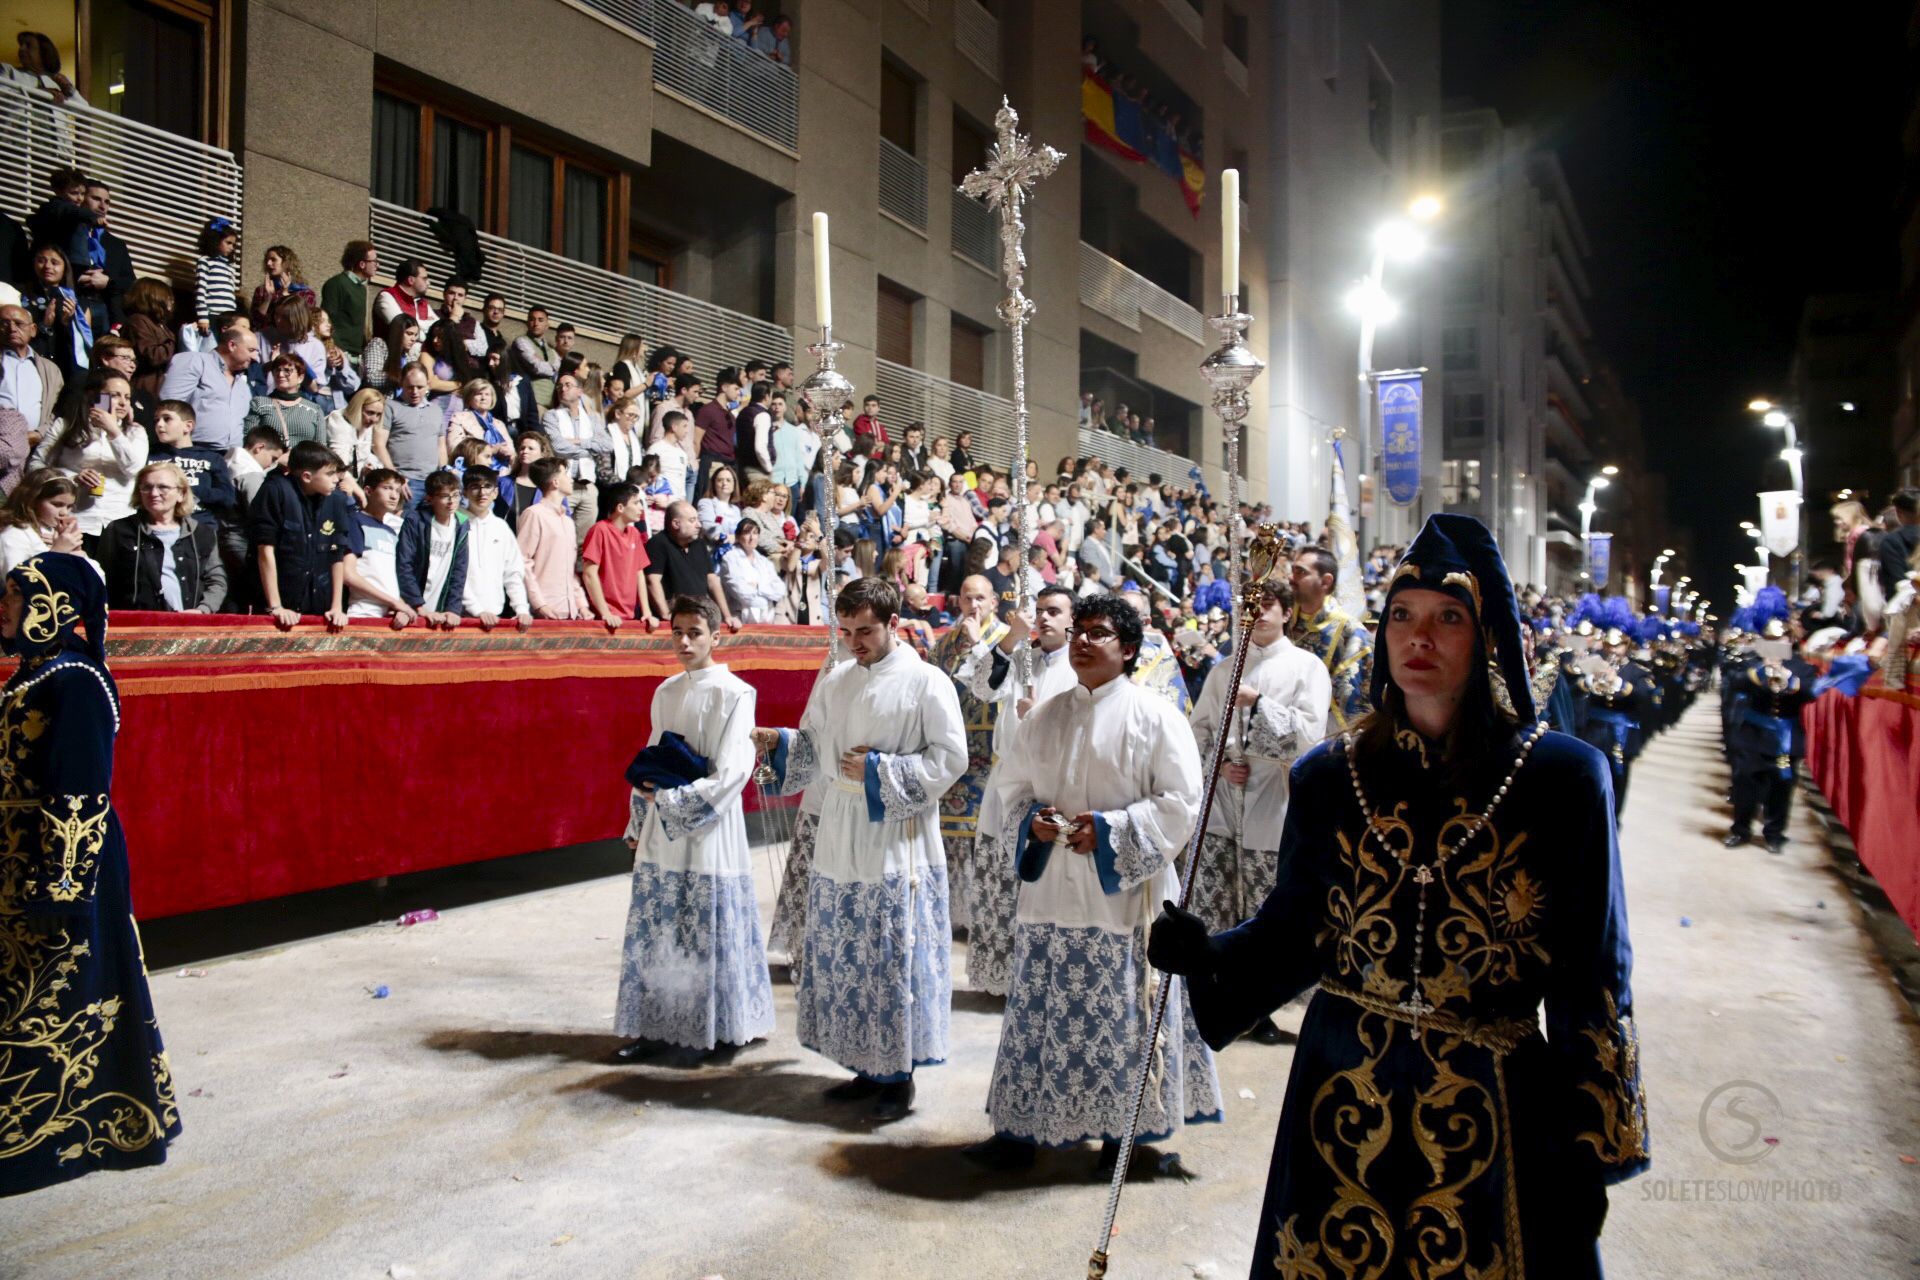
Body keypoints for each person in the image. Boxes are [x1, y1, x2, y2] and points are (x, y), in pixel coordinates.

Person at [1148, 514, 1650, 1278]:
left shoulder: (1562, 779)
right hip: (1343, 1094)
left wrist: (1591, 1144)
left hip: (1495, 1100)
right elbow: (1296, 934)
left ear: (1487, 637)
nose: (1421, 638)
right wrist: (1208, 952)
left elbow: (1593, 974)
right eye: (1404, 617)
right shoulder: (1328, 776)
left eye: (1449, 618)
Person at [963, 591, 1219, 1173]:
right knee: (1040, 1010)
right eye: (1078, 629)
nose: (1080, 640)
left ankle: (1124, 1140)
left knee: (1123, 1017)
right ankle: (1021, 1130)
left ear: (1128, 649)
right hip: (1051, 888)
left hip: (1125, 895)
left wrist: (1108, 832)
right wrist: (1036, 821)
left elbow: (1180, 803)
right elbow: (1011, 792)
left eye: (1097, 632)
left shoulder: (1156, 716)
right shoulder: (1046, 715)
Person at [0, 551, 182, 1195]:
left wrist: (64, 884)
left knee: (67, 993)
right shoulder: (34, 672)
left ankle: (66, 1132)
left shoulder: (74, 679)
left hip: (66, 869)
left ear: (56, 607)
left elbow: (79, 788)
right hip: (21, 864)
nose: (7, 609)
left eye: (18, 598)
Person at [752, 577, 965, 1120]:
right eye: (845, 631)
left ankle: (898, 1078)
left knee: (890, 953)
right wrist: (781, 743)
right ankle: (862, 1066)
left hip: (896, 836)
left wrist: (881, 769)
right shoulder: (837, 677)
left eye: (865, 630)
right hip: (840, 828)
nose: (854, 642)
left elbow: (950, 759)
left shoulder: (926, 681)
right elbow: (815, 742)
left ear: (893, 624)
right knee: (849, 950)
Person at [611, 593, 776, 1061]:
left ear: (715, 636)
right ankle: (656, 1025)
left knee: (707, 925)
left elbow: (734, 772)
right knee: (663, 927)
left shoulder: (736, 693)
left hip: (708, 827)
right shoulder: (665, 691)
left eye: (695, 633)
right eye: (677, 632)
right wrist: (640, 814)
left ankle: (718, 1027)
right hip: (664, 823)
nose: (684, 641)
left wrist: (672, 801)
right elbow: (652, 755)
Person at [1185, 578, 1328, 1043]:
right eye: (1249, 605)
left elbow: (1310, 737)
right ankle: (1225, 998)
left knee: (1266, 902)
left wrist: (1258, 705)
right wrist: (1222, 764)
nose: (1258, 613)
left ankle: (1264, 1006)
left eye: (1268, 604)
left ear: (1287, 612)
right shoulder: (1223, 669)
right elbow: (1200, 733)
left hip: (1277, 795)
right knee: (1222, 896)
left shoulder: (1307, 667)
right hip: (1227, 798)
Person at [957, 583, 1079, 997]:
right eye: (1040, 610)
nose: (1044, 618)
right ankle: (1005, 976)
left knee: (1044, 881)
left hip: (1052, 786)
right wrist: (1009, 640)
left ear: (1072, 620)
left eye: (1055, 611)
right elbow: (982, 688)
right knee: (1000, 879)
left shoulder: (1080, 666)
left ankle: (1043, 976)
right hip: (1007, 782)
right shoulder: (1021, 656)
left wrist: (1038, 715)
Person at [926, 575, 1012, 941]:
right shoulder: (944, 643)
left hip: (991, 748)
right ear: (957, 601)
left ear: (993, 601)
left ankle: (982, 912)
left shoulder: (1008, 639)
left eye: (980, 598)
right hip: (952, 749)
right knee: (947, 835)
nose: (973, 606)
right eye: (966, 598)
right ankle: (950, 910)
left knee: (981, 833)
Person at [34, 370, 148, 553]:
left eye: (127, 397)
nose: (122, 402)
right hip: (77, 519)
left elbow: (134, 468)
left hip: (119, 518)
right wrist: (71, 480)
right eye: (114, 395)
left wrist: (113, 431)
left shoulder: (135, 432)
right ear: (93, 396)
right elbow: (36, 466)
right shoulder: (66, 425)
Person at [249, 440, 353, 629]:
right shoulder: (275, 490)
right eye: (329, 474)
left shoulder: (337, 500)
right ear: (306, 476)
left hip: (319, 605)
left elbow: (336, 554)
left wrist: (337, 606)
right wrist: (276, 606)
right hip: (280, 603)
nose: (336, 479)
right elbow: (265, 550)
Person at [100, 461, 226, 613]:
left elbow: (216, 580)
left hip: (188, 626)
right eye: (147, 487)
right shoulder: (118, 531)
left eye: (163, 487)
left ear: (181, 493)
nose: (153, 493)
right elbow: (101, 580)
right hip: (134, 627)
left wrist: (203, 610)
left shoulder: (202, 533)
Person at [160, 321, 257, 453]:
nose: (255, 357)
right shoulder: (195, 361)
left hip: (232, 457)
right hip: (193, 452)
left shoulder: (242, 384)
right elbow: (169, 405)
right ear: (232, 345)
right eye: (251, 350)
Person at [647, 501, 740, 631]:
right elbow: (652, 581)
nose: (699, 525)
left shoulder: (699, 544)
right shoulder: (657, 543)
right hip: (675, 619)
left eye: (698, 520)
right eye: (692, 520)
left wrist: (727, 616)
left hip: (700, 615)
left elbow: (712, 581)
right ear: (676, 524)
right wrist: (665, 614)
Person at [343, 468, 417, 627]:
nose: (394, 495)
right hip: (363, 612)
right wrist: (394, 602)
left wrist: (400, 606)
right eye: (387, 488)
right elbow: (348, 574)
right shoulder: (355, 521)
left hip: (390, 615)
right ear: (368, 491)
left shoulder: (391, 531)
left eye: (397, 490)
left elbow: (389, 579)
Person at [516, 458, 588, 620]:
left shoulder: (568, 522)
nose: (570, 479)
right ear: (555, 482)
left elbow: (570, 569)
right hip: (545, 610)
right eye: (566, 474)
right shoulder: (534, 514)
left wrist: (581, 604)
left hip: (572, 611)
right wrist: (539, 604)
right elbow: (522, 561)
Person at [395, 470, 468, 628]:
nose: (451, 501)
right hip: (412, 606)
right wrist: (416, 605)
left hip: (440, 607)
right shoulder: (415, 521)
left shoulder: (462, 524)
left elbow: (459, 570)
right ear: (430, 498)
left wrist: (453, 608)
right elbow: (404, 565)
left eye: (455, 495)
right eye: (444, 496)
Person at [542, 371, 607, 545]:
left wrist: (578, 441)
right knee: (557, 535)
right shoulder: (552, 416)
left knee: (583, 542)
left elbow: (607, 445)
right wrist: (590, 448)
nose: (562, 389)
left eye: (568, 385)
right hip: (563, 483)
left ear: (580, 391)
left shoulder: (592, 417)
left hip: (587, 486)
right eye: (559, 386)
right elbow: (559, 447)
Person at [580, 480, 654, 632]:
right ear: (620, 507)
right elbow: (589, 574)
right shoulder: (599, 530)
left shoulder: (634, 533)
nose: (641, 508)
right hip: (603, 618)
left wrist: (647, 612)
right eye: (636, 503)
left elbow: (639, 573)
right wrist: (605, 613)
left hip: (630, 615)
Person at [375, 363, 448, 505]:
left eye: (420, 387)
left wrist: (443, 476)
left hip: (433, 483)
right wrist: (395, 478)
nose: (415, 392)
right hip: (405, 481)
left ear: (427, 385)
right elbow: (378, 444)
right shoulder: (390, 406)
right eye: (410, 387)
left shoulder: (436, 410)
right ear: (402, 383)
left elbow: (441, 445)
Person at [1, 303, 64, 465]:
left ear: (33, 329)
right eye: (4, 323)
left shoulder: (50, 369)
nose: (12, 329)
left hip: (37, 448)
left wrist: (40, 433)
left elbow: (58, 409)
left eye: (19, 323)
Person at [0, 472, 96, 577]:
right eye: (57, 504)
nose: (64, 512)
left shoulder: (53, 532)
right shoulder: (15, 535)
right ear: (33, 500)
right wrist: (57, 551)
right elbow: (14, 582)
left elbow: (96, 577)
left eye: (69, 507)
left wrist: (76, 551)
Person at [719, 516, 786, 623]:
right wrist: (767, 596)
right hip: (739, 619)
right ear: (738, 536)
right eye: (747, 533)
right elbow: (742, 593)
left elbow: (780, 590)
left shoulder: (764, 561)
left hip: (767, 619)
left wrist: (758, 587)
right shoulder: (729, 558)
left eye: (755, 533)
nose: (752, 537)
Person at [320, 240, 379, 360]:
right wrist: (338, 350)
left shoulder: (362, 289)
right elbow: (327, 320)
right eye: (374, 261)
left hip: (357, 357)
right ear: (362, 264)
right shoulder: (337, 284)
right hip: (340, 355)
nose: (377, 265)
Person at [191, 217, 241, 342]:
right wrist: (203, 317)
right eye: (228, 243)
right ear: (216, 240)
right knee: (212, 345)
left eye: (234, 245)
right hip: (213, 314)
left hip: (229, 315)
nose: (231, 247)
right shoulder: (205, 261)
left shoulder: (229, 266)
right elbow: (200, 291)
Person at [376, 258, 435, 332]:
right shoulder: (386, 296)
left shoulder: (423, 302)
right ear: (410, 280)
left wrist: (417, 324)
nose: (428, 283)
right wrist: (428, 325)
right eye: (424, 279)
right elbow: (403, 329)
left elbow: (439, 330)